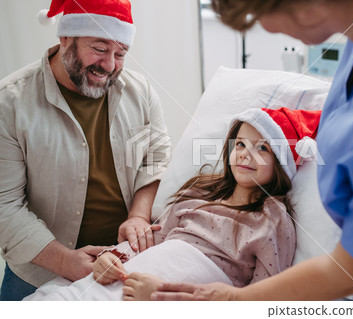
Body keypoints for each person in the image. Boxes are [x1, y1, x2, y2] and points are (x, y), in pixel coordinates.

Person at [150, 0, 353, 301]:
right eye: (239, 144)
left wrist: (234, 300)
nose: (267, 28)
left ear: (311, 6)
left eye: (260, 15)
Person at [23, 107, 322, 301]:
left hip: (181, 293)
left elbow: (262, 297)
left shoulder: (271, 219)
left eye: (262, 148)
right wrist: (109, 258)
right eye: (240, 144)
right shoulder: (201, 193)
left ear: (281, 163)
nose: (245, 154)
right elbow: (151, 239)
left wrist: (167, 298)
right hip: (131, 276)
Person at [0, 0, 170, 301]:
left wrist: (139, 217)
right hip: (40, 269)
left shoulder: (140, 92)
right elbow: (4, 205)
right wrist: (65, 261)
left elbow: (156, 159)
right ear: (65, 37)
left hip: (126, 258)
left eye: (120, 54)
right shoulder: (10, 104)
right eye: (100, 49)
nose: (109, 65)